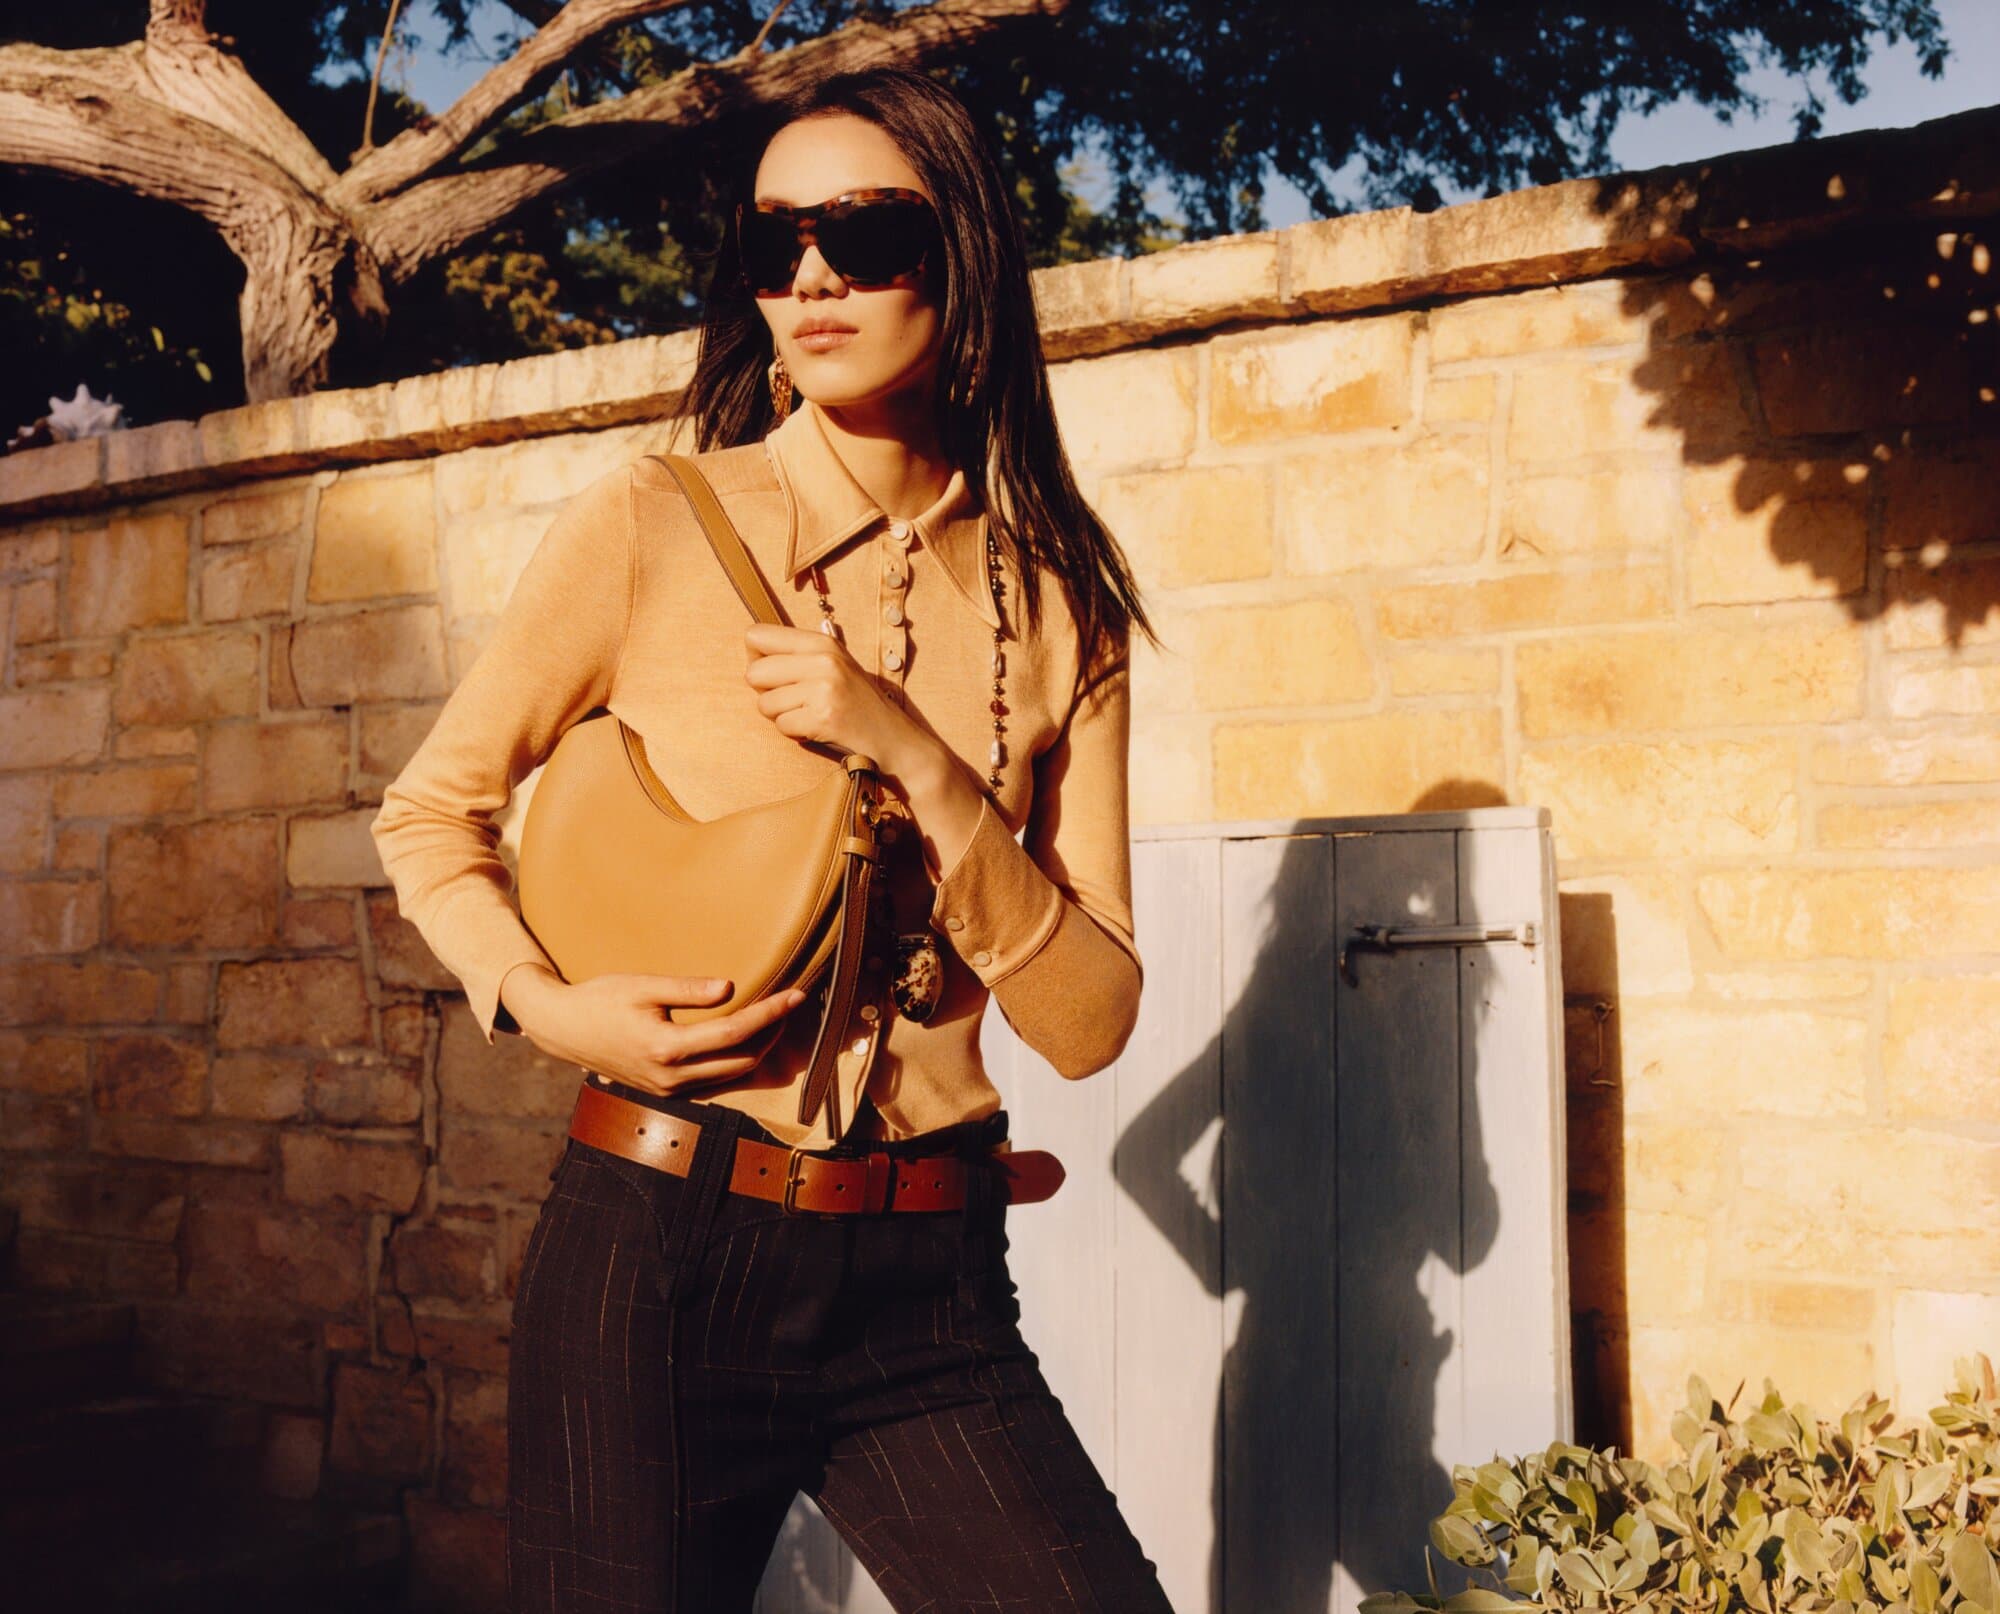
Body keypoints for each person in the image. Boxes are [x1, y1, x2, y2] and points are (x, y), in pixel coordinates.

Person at [370, 62, 1174, 1614]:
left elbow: (1091, 1019)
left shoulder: (1062, 603)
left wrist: (919, 758)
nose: (811, 277)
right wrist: (550, 1008)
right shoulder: (652, 523)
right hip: (657, 1254)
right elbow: (431, 810)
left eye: (863, 234)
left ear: (962, 255)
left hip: (933, 1283)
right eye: (773, 241)